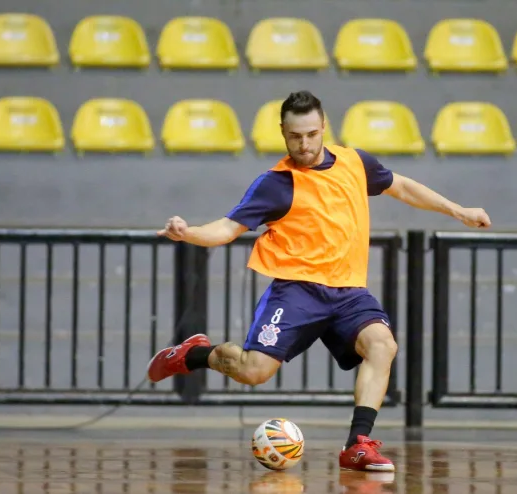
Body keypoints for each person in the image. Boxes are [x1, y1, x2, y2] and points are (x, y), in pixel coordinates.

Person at [147, 90, 491, 472]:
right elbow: (227, 228)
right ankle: (193, 354)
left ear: (323, 127)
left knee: (383, 345)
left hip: (347, 293)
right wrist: (188, 232)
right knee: (253, 371)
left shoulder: (355, 163)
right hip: (297, 291)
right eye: (296, 136)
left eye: (312, 134)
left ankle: (357, 445)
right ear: (283, 133)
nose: (305, 144)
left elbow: (402, 187)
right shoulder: (276, 184)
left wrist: (458, 210)